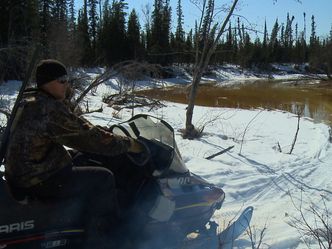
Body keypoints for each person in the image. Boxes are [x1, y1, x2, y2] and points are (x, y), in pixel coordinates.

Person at [4, 59, 144, 244]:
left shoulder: (30, 101)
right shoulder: (48, 108)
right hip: (37, 178)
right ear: (47, 82)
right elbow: (90, 139)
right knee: (103, 178)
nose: (66, 84)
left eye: (66, 79)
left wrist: (98, 132)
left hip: (24, 172)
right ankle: (107, 238)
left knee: (82, 158)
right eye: (61, 80)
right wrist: (130, 144)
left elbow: (74, 127)